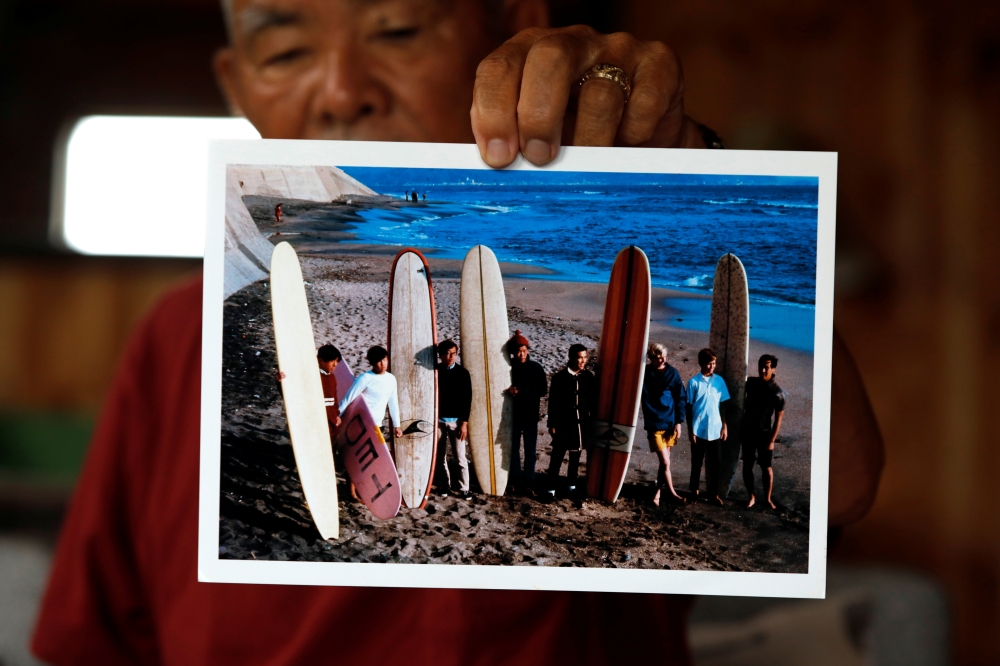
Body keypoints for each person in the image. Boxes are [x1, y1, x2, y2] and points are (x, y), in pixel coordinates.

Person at [32, 2, 884, 665]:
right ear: (236, 80)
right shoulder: (175, 337)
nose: (338, 87)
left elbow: (839, 488)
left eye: (397, 29)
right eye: (286, 48)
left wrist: (686, 156)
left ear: (509, 29)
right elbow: (102, 637)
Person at [545, 343, 596, 497]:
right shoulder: (559, 378)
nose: (583, 361)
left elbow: (592, 401)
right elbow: (553, 402)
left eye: (585, 358)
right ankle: (550, 489)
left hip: (581, 424)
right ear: (571, 358)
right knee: (557, 457)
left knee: (575, 456)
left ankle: (571, 486)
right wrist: (552, 423)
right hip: (563, 424)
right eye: (580, 358)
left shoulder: (588, 377)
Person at [640, 343, 687, 506]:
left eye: (664, 357)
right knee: (665, 462)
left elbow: (681, 398)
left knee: (664, 463)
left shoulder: (672, 373)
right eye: (658, 358)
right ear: (651, 358)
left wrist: (679, 422)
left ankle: (657, 494)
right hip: (654, 423)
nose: (662, 360)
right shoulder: (644, 373)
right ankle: (673, 493)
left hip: (670, 422)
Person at [504, 329, 548, 491]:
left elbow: (543, 390)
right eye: (518, 352)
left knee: (530, 449)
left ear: (527, 351)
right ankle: (516, 476)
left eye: (523, 351)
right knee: (513, 448)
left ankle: (529, 477)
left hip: (530, 416)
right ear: (513, 353)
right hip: (513, 416)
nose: (521, 355)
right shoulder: (508, 369)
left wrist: (521, 391)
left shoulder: (536, 368)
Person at [686, 348, 730, 506]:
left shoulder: (719, 381)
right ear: (701, 363)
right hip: (698, 429)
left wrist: (724, 426)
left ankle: (714, 494)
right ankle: (694, 491)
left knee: (716, 463)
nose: (712, 366)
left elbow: (723, 405)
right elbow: (688, 408)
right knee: (696, 462)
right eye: (709, 363)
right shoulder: (693, 382)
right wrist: (691, 431)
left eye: (714, 363)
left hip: (715, 429)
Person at [742, 354, 786, 510]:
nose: (763, 370)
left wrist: (772, 440)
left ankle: (767, 499)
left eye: (767, 367)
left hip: (764, 434)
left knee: (766, 467)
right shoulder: (750, 383)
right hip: (747, 432)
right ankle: (751, 496)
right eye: (761, 366)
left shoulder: (777, 393)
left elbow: (778, 419)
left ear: (773, 369)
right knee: (747, 464)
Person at [339, 345, 403, 441]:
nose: (383, 364)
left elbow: (393, 403)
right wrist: (336, 417)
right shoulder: (365, 378)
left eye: (384, 359)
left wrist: (397, 425)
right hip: (361, 424)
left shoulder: (391, 379)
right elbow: (348, 399)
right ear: (372, 363)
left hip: (378, 425)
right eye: (379, 361)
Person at [435, 339, 473, 498]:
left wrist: (464, 423)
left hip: (456, 422)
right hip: (438, 421)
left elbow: (467, 399)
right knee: (440, 455)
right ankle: (444, 486)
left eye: (454, 353)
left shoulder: (462, 373)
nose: (451, 356)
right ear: (441, 355)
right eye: (447, 353)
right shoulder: (435, 372)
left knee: (460, 456)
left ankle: (464, 488)